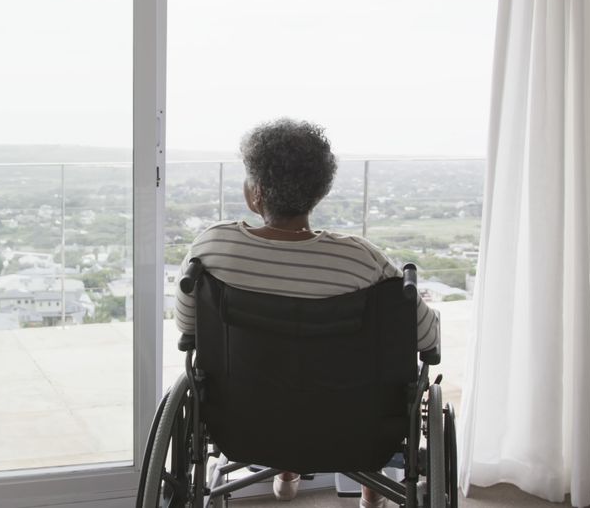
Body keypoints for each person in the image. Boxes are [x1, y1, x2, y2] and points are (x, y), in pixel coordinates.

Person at [173, 118, 440, 507]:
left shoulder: (213, 248)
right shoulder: (363, 261)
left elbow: (187, 328)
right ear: (319, 191)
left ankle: (285, 468)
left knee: (279, 370)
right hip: (352, 429)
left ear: (257, 193)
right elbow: (426, 339)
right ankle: (372, 491)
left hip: (243, 424)